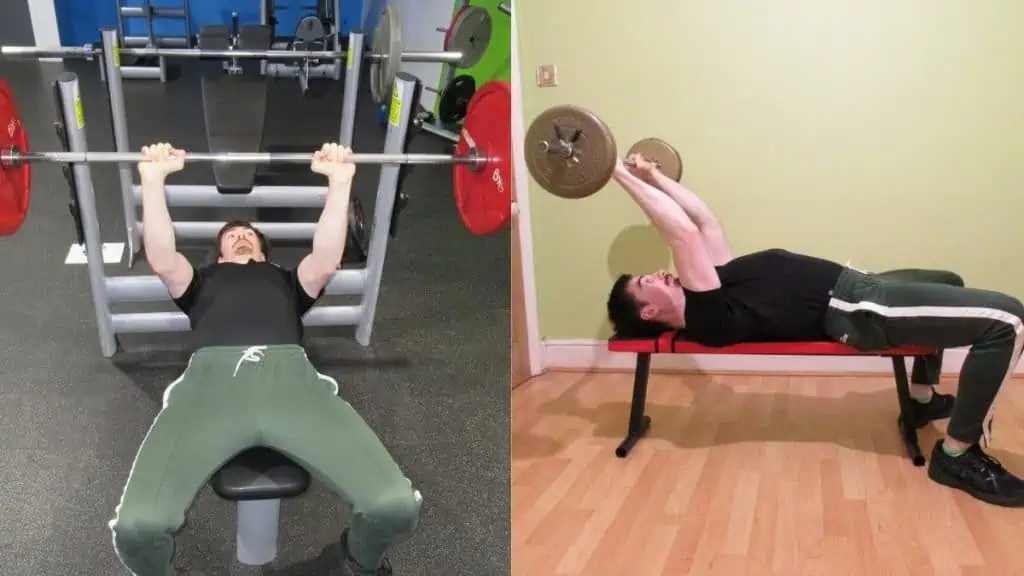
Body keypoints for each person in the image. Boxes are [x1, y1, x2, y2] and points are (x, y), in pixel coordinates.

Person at [605, 154, 1024, 507]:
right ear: (647, 314)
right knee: (1008, 320)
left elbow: (705, 221)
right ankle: (958, 453)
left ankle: (921, 402)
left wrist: (654, 175)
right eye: (648, 283)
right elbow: (683, 233)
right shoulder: (707, 315)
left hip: (862, 284)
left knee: (949, 280)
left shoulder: (716, 279)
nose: (660, 273)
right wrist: (616, 172)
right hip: (859, 310)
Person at [108, 143, 419, 576]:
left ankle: (354, 562)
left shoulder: (286, 283)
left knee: (396, 506)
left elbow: (326, 258)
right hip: (211, 390)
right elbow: (161, 257)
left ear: (263, 253)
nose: (240, 235)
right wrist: (153, 179)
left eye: (248, 236)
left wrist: (340, 182)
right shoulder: (201, 283)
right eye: (230, 236)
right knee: (137, 529)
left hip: (289, 383)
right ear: (218, 255)